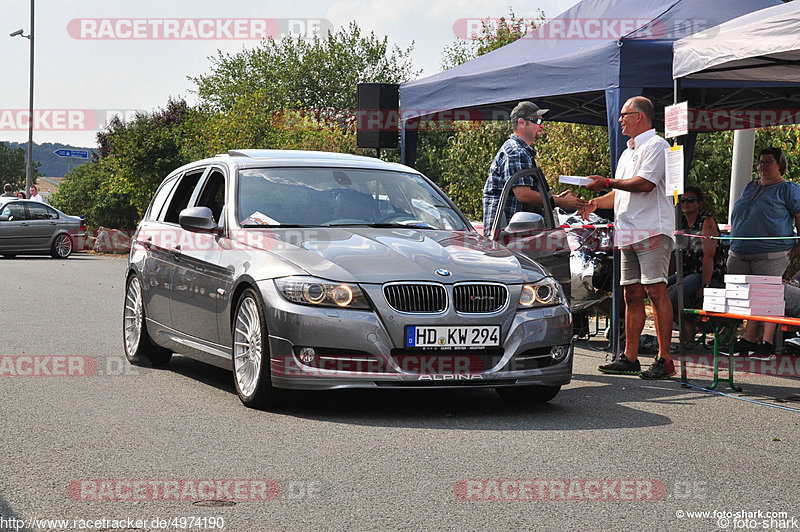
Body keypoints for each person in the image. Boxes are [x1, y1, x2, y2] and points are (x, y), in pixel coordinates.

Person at [581, 96, 676, 379]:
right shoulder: (627, 152)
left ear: (640, 116)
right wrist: (597, 202)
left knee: (656, 291)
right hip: (628, 232)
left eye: (624, 114)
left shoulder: (657, 145)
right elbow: (620, 192)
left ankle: (665, 359)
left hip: (652, 230)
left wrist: (607, 182)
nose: (620, 119)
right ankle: (630, 357)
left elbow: (645, 184)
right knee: (631, 293)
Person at [729, 147, 800, 359]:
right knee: (748, 296)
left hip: (771, 251)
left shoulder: (788, 188)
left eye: (768, 161)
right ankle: (749, 339)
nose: (763, 165)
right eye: (761, 161)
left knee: (768, 295)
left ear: (780, 164)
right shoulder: (751, 186)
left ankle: (767, 343)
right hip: (741, 250)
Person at [482, 101, 585, 233]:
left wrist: (556, 197)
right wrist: (560, 201)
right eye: (537, 120)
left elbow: (524, 194)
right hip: (507, 237)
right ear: (521, 122)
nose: (542, 125)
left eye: (542, 121)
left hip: (511, 236)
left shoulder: (520, 151)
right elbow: (524, 195)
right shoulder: (516, 152)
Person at [667, 186, 726, 345]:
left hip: (705, 274)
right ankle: (687, 326)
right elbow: (674, 255)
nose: (685, 203)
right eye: (682, 200)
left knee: (670, 296)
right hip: (685, 273)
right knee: (657, 291)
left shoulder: (707, 222)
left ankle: (691, 327)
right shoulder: (681, 223)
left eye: (690, 200)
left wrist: (704, 286)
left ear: (699, 203)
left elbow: (709, 256)